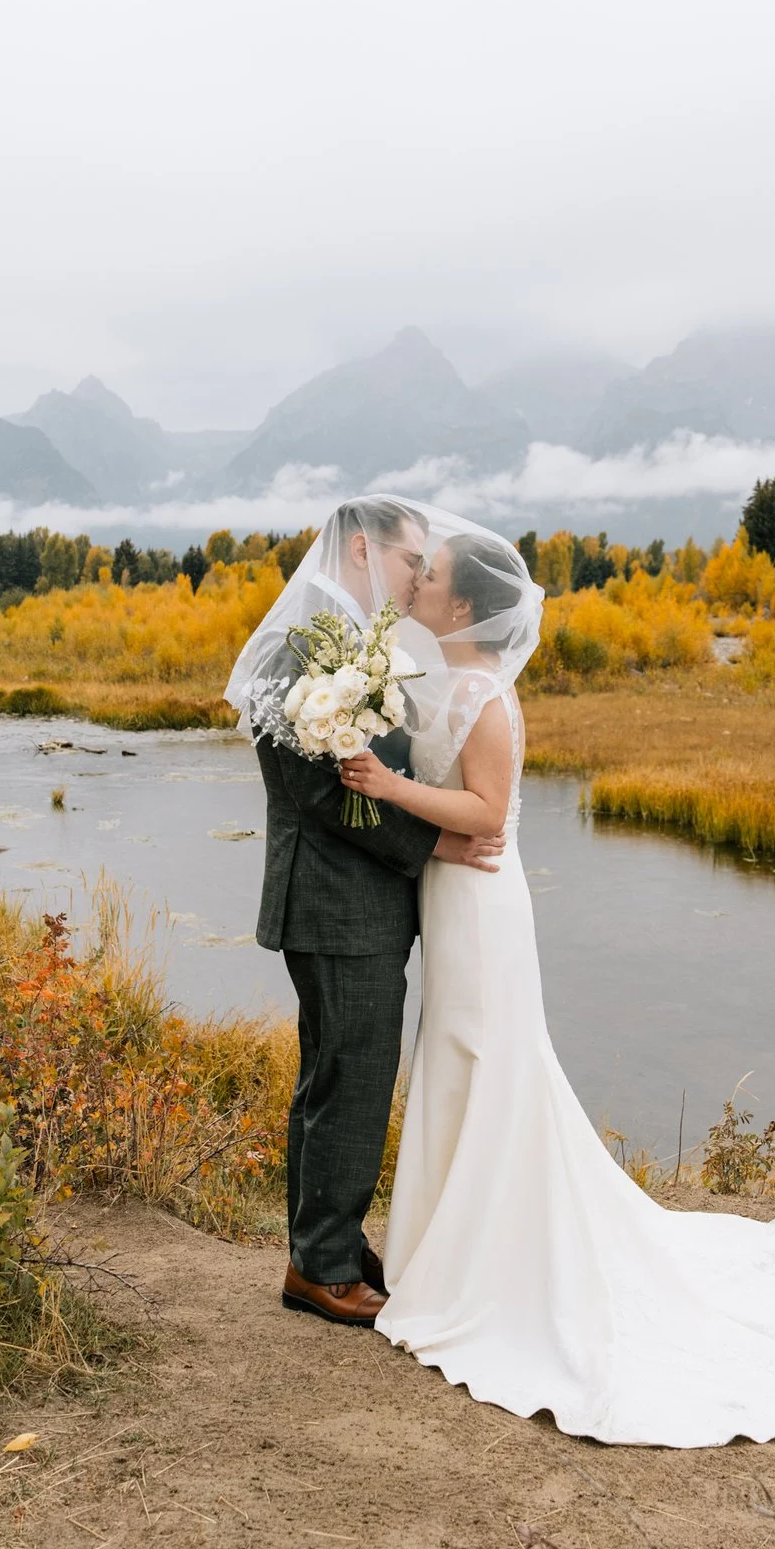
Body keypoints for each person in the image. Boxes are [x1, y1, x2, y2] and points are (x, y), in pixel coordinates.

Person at [334, 516, 775, 1448]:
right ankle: (441, 1249)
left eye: (432, 574)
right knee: (453, 1055)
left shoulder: (487, 696)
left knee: (492, 1058)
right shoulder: (445, 679)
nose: (420, 582)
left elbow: (487, 812)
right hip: (449, 900)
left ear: (468, 604)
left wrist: (387, 787)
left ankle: (490, 1264)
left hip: (483, 909)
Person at [222, 496, 503, 1327]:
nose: (419, 576)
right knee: (353, 1080)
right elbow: (318, 792)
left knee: (333, 1076)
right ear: (360, 549)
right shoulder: (303, 643)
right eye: (411, 560)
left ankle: (325, 1246)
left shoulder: (339, 637)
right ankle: (325, 1266)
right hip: (337, 903)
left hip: (350, 901)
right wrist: (431, 847)